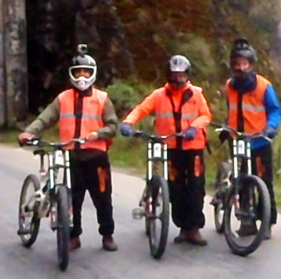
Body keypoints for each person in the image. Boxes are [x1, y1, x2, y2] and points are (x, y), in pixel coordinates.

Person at [19, 44, 119, 251]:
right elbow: (44, 118)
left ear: (93, 74)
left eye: (86, 72)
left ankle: (107, 234)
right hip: (70, 155)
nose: (82, 76)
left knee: (102, 197)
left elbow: (113, 126)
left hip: (96, 156)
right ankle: (73, 236)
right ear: (71, 74)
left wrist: (97, 134)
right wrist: (29, 132)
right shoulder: (63, 98)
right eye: (78, 72)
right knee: (73, 199)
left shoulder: (102, 99)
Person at [120, 55, 212, 246]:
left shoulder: (196, 94)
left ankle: (194, 229)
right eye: (174, 75)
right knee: (176, 189)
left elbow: (205, 115)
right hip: (170, 147)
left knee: (196, 188)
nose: (178, 79)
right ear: (168, 75)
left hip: (193, 147)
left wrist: (194, 128)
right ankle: (182, 228)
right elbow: (141, 109)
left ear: (187, 75)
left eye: (182, 75)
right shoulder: (159, 95)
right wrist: (128, 122)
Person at [220, 38, 281, 239]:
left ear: (251, 64)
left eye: (244, 63)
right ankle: (246, 221)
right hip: (236, 140)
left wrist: (271, 128)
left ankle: (266, 221)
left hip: (259, 141)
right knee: (242, 180)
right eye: (237, 64)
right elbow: (231, 110)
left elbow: (274, 110)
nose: (241, 68)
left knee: (264, 182)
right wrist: (225, 128)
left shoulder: (264, 86)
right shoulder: (229, 86)